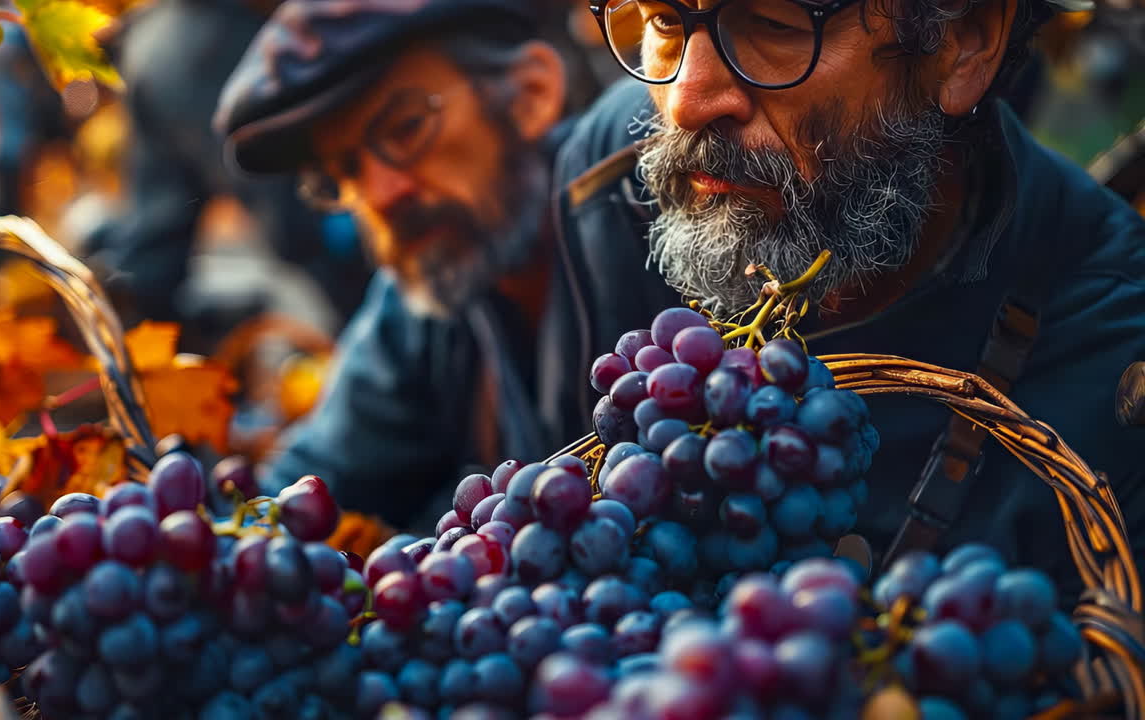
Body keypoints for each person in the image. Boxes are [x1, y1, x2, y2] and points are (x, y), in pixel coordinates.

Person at [550, 0, 1145, 604]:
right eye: (664, 22)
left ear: (964, 42)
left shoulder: (1113, 351)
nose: (685, 101)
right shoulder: (613, 184)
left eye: (773, 26)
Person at [213, 0, 571, 528]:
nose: (378, 196)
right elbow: (291, 497)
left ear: (530, 95)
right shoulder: (424, 300)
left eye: (405, 129)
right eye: (345, 169)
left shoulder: (635, 200)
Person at [84, 0, 371, 339]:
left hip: (161, 40)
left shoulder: (151, 45)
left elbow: (155, 246)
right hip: (343, 274)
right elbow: (300, 225)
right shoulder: (250, 39)